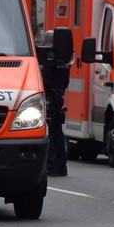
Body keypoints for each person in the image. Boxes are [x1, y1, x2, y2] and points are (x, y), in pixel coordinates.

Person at [40, 30, 69, 176]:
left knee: (49, 132)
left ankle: (51, 166)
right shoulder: (64, 58)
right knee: (58, 132)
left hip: (50, 98)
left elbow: (45, 79)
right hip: (59, 97)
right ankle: (62, 166)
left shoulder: (50, 58)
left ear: (46, 42)